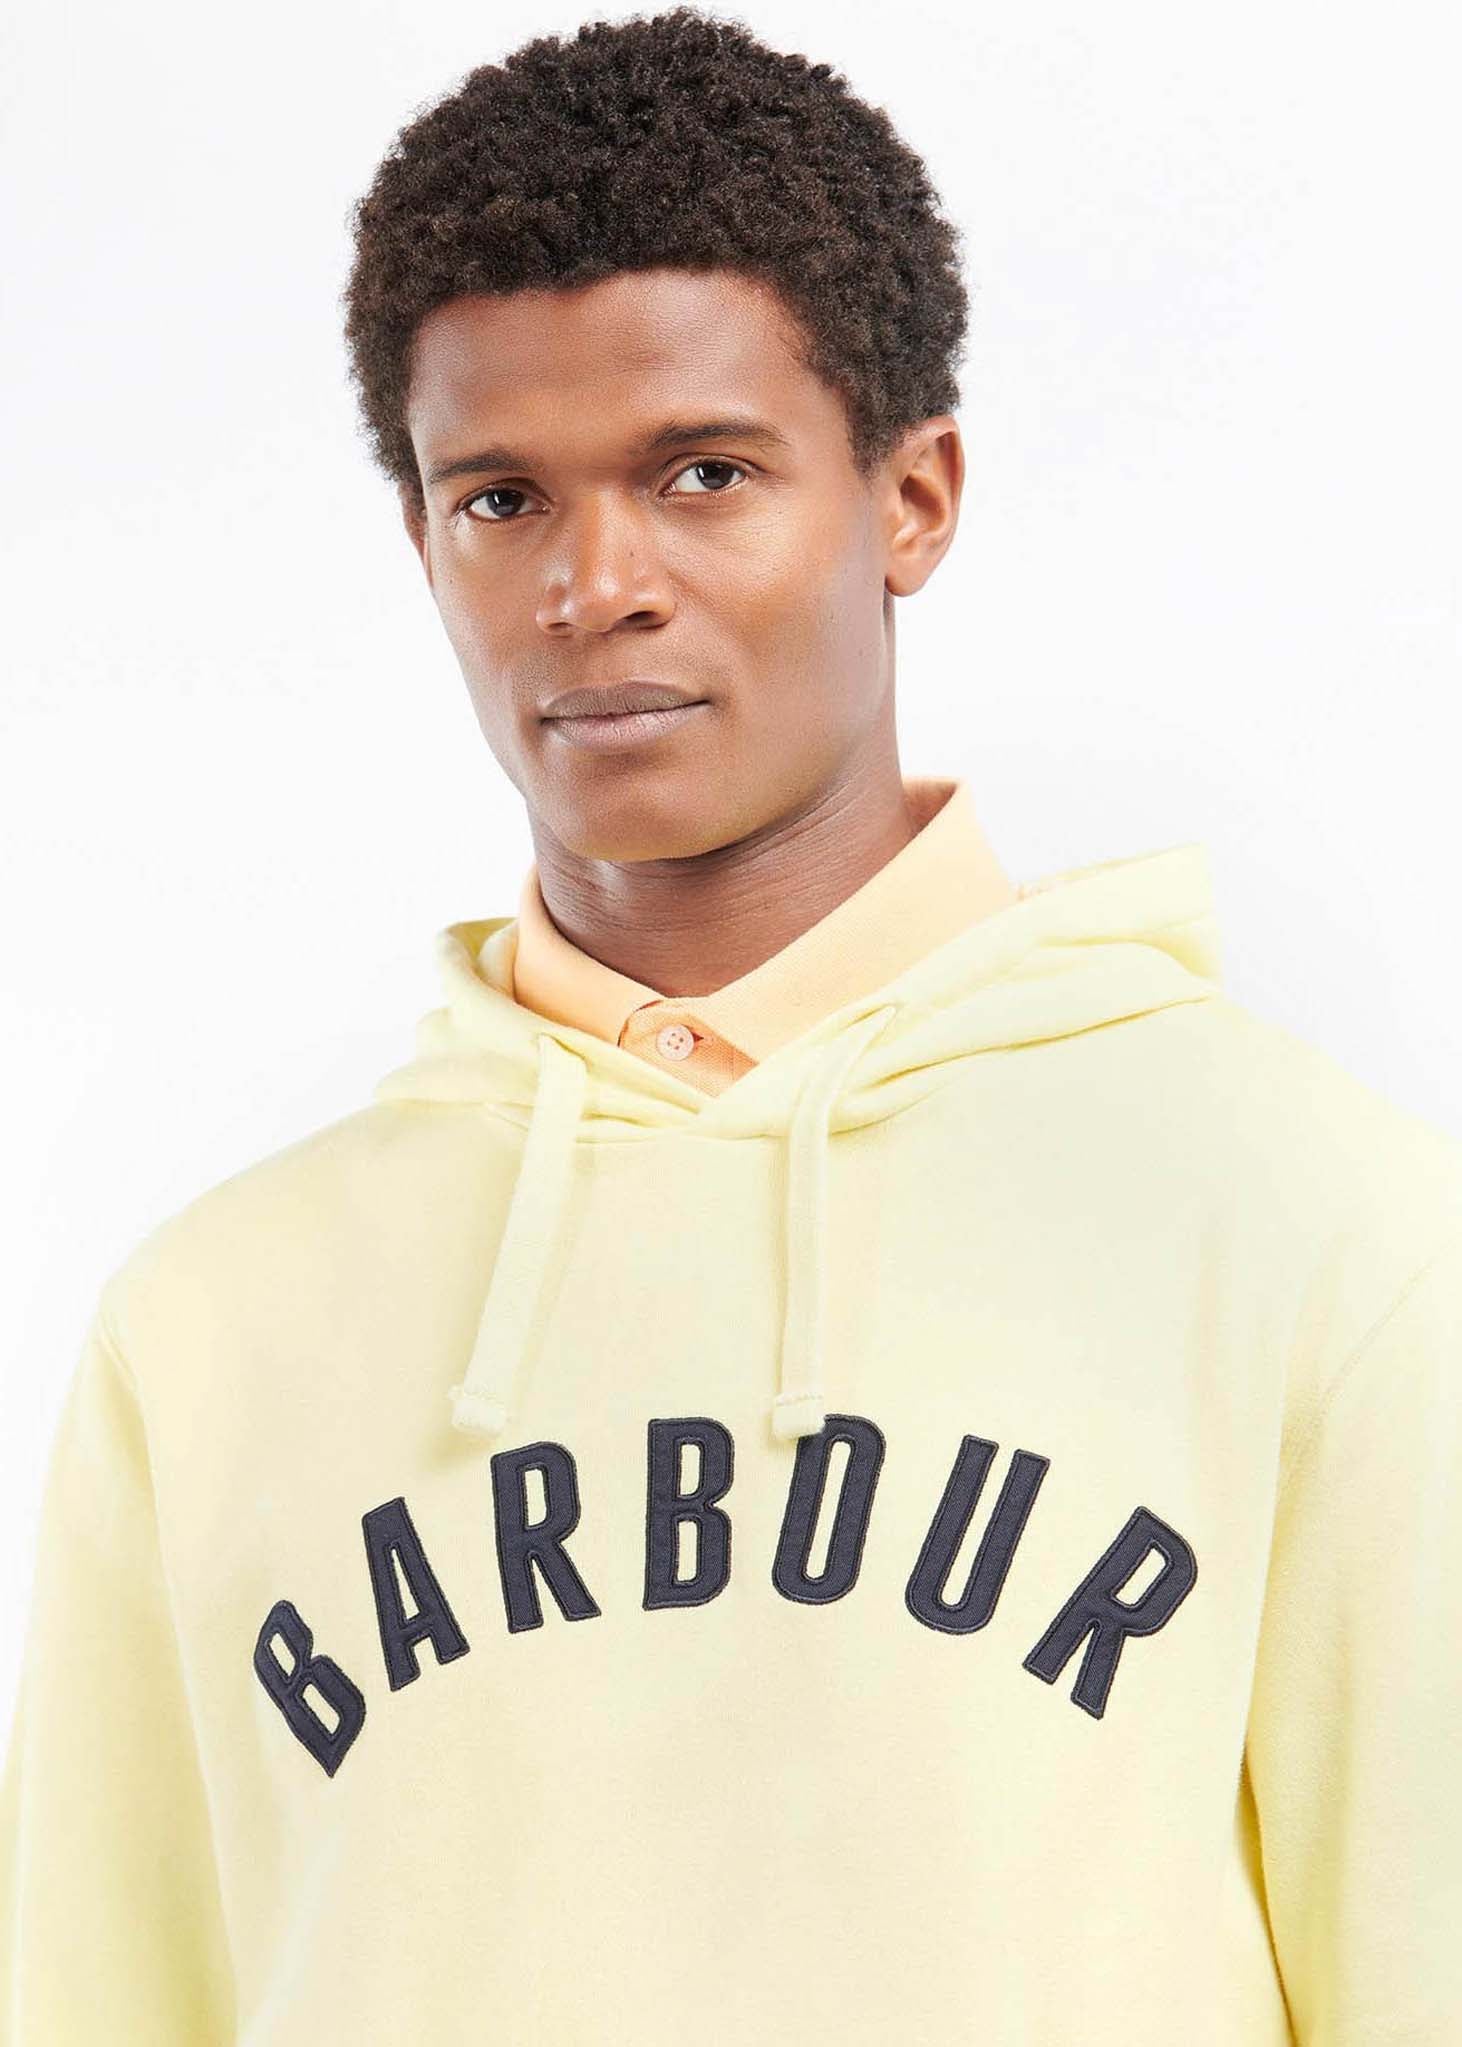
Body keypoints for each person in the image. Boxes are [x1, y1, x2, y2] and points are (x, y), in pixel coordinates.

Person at [2, 7, 1460, 2041]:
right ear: (420, 540)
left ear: (910, 498)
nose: (593, 585)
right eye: (499, 498)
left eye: (703, 474)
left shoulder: (1318, 1233)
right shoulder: (210, 1322)